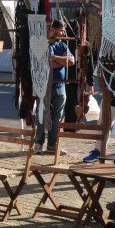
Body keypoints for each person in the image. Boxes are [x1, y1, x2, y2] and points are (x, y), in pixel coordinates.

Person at [34, 19, 75, 154]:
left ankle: (52, 145)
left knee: (57, 117)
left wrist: (54, 58)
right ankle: (38, 144)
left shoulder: (63, 45)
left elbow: (71, 61)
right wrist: (60, 61)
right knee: (41, 114)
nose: (63, 32)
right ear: (52, 30)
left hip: (60, 86)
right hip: (44, 86)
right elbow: (45, 64)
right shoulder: (42, 44)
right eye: (61, 30)